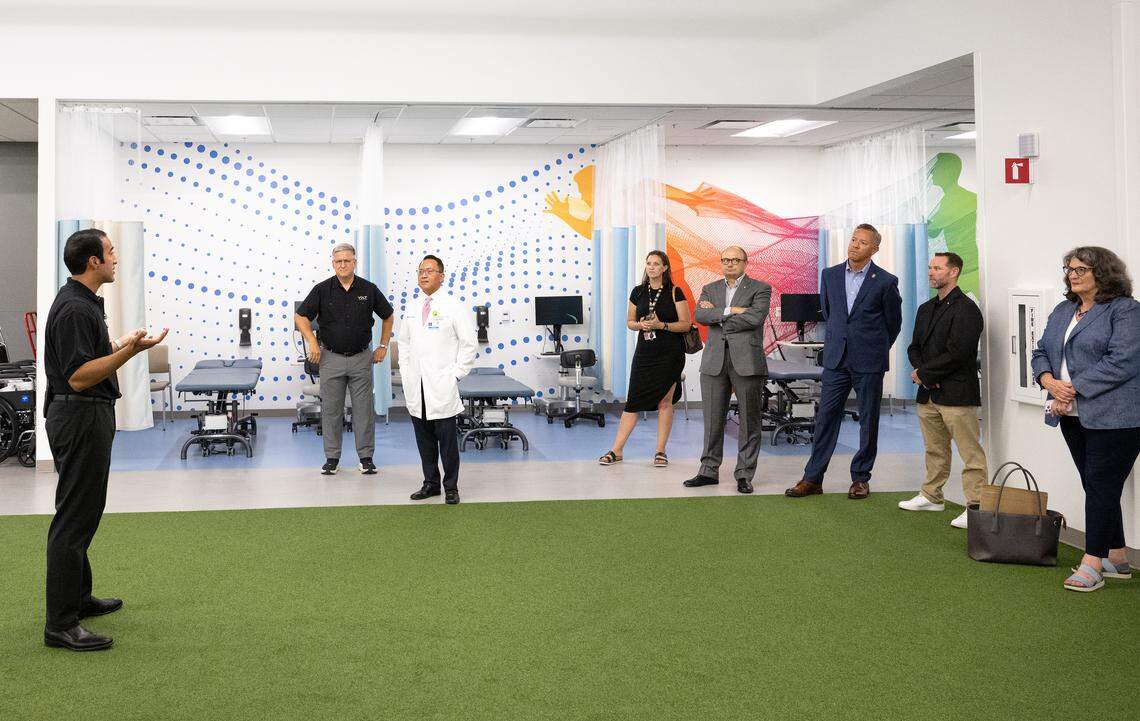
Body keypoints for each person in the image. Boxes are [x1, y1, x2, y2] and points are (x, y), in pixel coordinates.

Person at [43, 228, 168, 651]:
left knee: (85, 511)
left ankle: (78, 599)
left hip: (86, 416)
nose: (115, 258)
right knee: (73, 520)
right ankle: (61, 624)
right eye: (111, 252)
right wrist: (130, 353)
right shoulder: (75, 309)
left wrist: (122, 343)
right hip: (79, 417)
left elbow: (85, 356)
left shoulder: (82, 304)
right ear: (93, 261)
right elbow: (78, 378)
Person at [1031, 246, 1140, 592]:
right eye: (1069, 268)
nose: (1073, 274)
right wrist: (1048, 380)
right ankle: (1117, 557)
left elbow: (1122, 360)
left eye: (1081, 269)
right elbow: (1041, 351)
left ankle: (1092, 563)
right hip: (1072, 415)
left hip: (1117, 417)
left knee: (1100, 484)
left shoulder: (1125, 311)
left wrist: (1072, 388)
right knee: (1097, 485)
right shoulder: (1065, 309)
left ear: (1103, 273)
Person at [786, 223, 902, 500]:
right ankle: (812, 478)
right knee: (826, 418)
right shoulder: (830, 275)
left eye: (863, 242)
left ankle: (860, 478)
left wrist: (875, 349)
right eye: (853, 239)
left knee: (868, 420)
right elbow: (829, 312)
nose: (855, 245)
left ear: (874, 248)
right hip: (836, 359)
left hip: (869, 361)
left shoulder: (886, 281)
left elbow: (893, 323)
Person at [899, 252, 987, 528]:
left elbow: (959, 353)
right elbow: (914, 347)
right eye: (929, 267)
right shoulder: (925, 308)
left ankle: (975, 507)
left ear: (954, 272)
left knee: (970, 453)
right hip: (929, 394)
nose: (931, 272)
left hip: (957, 394)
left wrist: (925, 374)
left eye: (937, 268)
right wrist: (923, 375)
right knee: (934, 449)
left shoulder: (967, 310)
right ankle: (931, 496)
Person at [296, 243, 394, 476]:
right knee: (331, 410)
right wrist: (312, 341)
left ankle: (366, 458)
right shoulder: (322, 289)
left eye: (347, 261)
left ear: (354, 262)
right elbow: (300, 317)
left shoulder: (368, 289)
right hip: (331, 358)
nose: (342, 265)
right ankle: (332, 459)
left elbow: (388, 316)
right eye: (338, 261)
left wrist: (383, 345)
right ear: (333, 263)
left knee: (364, 411)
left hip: (361, 357)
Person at [683, 246, 772, 494]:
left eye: (735, 259)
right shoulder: (710, 288)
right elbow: (700, 314)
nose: (729, 263)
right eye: (725, 260)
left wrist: (718, 317)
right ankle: (708, 471)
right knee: (712, 419)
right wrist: (731, 311)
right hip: (714, 361)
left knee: (749, 420)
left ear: (745, 262)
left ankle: (744, 474)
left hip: (747, 361)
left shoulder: (760, 288)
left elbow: (755, 318)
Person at [598, 250, 691, 468]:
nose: (651, 267)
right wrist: (641, 325)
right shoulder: (638, 292)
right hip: (645, 353)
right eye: (648, 263)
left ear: (665, 268)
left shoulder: (675, 292)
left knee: (665, 402)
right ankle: (616, 450)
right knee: (633, 402)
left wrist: (661, 325)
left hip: (670, 354)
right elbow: (630, 321)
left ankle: (660, 451)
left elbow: (686, 324)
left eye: (656, 264)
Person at [397, 255, 477, 505]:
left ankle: (451, 486)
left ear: (441, 276)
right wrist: (406, 371)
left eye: (430, 271)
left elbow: (468, 344)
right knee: (424, 440)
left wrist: (456, 373)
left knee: (447, 441)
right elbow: (404, 343)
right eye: (421, 270)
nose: (424, 275)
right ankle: (430, 483)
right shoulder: (411, 307)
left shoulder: (454, 306)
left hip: (442, 383)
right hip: (416, 384)